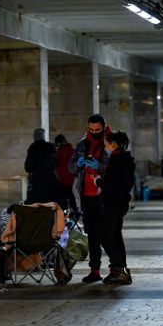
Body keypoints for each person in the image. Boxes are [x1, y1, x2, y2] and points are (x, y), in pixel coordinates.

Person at [69, 114, 110, 283]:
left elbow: (113, 169)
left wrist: (98, 167)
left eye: (97, 130)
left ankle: (116, 268)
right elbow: (71, 167)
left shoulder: (109, 143)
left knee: (107, 234)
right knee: (92, 233)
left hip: (104, 196)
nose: (94, 132)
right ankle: (95, 270)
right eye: (91, 130)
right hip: (86, 194)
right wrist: (78, 164)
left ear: (103, 127)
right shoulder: (82, 144)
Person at [96, 131, 135, 285]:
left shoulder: (117, 160)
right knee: (115, 235)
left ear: (114, 144)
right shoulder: (125, 159)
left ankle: (118, 268)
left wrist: (99, 181)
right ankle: (121, 269)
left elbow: (112, 185)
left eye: (106, 145)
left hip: (113, 203)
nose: (105, 148)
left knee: (105, 235)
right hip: (120, 202)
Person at [24, 128, 58, 205]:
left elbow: (28, 167)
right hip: (51, 181)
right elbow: (56, 163)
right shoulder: (51, 147)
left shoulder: (33, 148)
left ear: (35, 137)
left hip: (37, 183)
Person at [54, 134, 79, 217]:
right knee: (69, 193)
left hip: (62, 175)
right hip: (70, 175)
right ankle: (75, 210)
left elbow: (56, 163)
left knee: (63, 195)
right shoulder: (72, 149)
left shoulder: (59, 151)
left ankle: (64, 212)